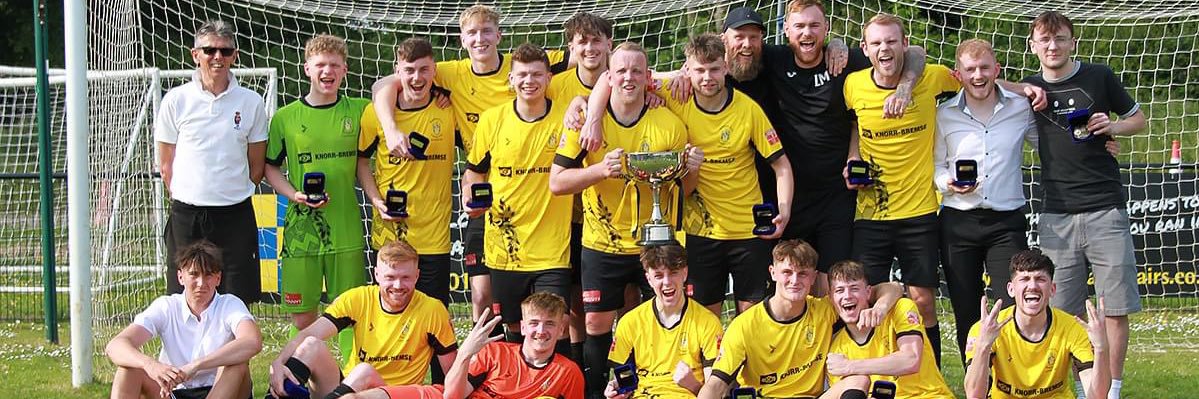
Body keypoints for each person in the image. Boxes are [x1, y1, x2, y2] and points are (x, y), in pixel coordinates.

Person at [370, 5, 568, 327]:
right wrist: (391, 129)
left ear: (499, 35)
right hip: (482, 187)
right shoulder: (449, 73)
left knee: (551, 301)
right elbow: (384, 85)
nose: (480, 39)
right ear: (462, 39)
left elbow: (592, 61)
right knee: (481, 293)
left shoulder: (523, 66)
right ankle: (481, 353)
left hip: (533, 191)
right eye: (472, 33)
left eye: (486, 31)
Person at [549, 42, 695, 397]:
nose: (629, 78)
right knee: (596, 320)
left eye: (636, 71)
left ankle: (647, 389)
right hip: (603, 242)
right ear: (609, 77)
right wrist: (600, 170)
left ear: (648, 77)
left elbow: (684, 189)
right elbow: (557, 183)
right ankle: (597, 391)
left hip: (655, 244)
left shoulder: (669, 122)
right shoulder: (586, 123)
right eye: (621, 71)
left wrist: (691, 169)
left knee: (651, 319)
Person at [1022, 12, 1147, 398]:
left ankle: (1113, 390)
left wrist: (1113, 127)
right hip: (1056, 213)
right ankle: (1084, 388)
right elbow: (988, 82)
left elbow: (1138, 119)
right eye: (1045, 40)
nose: (1053, 46)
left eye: (1060, 38)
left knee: (1114, 307)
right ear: (1033, 46)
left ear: (1073, 42)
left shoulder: (1099, 76)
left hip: (1105, 208)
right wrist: (1023, 87)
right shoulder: (1028, 89)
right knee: (1063, 310)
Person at [842, 13, 966, 366]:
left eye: (891, 41)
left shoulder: (931, 77)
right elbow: (854, 125)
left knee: (922, 300)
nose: (884, 49)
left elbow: (978, 80)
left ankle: (931, 377)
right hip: (870, 213)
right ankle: (871, 373)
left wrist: (1027, 90)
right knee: (867, 299)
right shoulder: (852, 85)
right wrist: (853, 159)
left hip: (919, 211)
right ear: (865, 49)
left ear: (904, 45)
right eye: (877, 43)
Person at [462, 43, 573, 348]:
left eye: (536, 74)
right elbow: (474, 172)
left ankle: (562, 379)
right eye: (522, 75)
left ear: (549, 78)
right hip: (505, 247)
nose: (529, 81)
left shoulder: (566, 118)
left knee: (555, 324)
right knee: (513, 326)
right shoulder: (492, 120)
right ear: (510, 79)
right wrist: (470, 197)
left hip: (552, 248)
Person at [264, 35, 369, 356]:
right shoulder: (285, 117)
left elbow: (392, 91)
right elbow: (270, 168)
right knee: (302, 316)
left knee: (350, 312)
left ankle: (349, 377)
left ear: (345, 70)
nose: (328, 71)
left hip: (346, 228)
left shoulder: (361, 110)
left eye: (335, 65)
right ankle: (303, 373)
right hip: (301, 232)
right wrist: (294, 194)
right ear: (307, 68)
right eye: (321, 65)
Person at [696, 240, 903, 399]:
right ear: (773, 273)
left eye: (802, 274)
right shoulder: (745, 325)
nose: (794, 280)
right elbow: (716, 384)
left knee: (858, 380)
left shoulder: (824, 309)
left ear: (813, 277)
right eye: (787, 272)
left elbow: (893, 288)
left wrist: (880, 308)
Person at [155, 20, 267, 304]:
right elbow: (166, 165)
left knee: (236, 298)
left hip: (235, 214)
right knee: (185, 298)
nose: (218, 57)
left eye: (225, 51)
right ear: (196, 55)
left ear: (234, 56)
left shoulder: (251, 102)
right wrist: (193, 193)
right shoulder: (176, 100)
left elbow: (256, 167)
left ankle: (232, 338)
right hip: (188, 215)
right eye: (210, 50)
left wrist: (226, 191)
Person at [266, 240, 458, 399]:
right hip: (348, 390)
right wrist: (279, 362)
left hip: (392, 395)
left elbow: (454, 373)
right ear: (377, 275)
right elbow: (309, 333)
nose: (398, 285)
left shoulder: (432, 310)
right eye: (390, 277)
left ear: (417, 276)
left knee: (364, 371)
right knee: (311, 345)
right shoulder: (358, 299)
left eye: (405, 277)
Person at [358, 37, 457, 308]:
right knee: (389, 313)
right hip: (389, 234)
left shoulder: (449, 110)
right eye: (409, 70)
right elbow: (361, 162)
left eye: (424, 70)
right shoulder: (375, 114)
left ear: (434, 70)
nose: (417, 77)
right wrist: (376, 200)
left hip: (434, 238)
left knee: (433, 316)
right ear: (397, 72)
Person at [343, 292, 584, 399]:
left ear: (561, 330)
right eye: (534, 323)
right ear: (522, 327)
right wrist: (465, 353)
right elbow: (453, 395)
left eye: (549, 324)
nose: (540, 331)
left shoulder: (568, 373)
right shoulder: (496, 352)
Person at [106, 240, 262, 399]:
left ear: (218, 278)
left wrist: (196, 366)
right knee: (128, 369)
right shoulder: (167, 306)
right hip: (173, 390)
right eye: (194, 274)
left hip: (221, 389)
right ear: (180, 277)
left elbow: (252, 341)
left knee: (237, 365)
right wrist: (150, 365)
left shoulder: (230, 304)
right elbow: (115, 346)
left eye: (208, 275)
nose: (201, 283)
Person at [550, 10, 615, 368]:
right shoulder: (555, 84)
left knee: (626, 294)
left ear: (609, 44)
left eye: (596, 41)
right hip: (563, 209)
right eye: (582, 42)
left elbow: (669, 77)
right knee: (577, 298)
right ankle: (581, 368)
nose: (590, 48)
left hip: (612, 210)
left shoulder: (626, 77)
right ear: (571, 47)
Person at [964, 249, 1111, 399]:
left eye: (1040, 279)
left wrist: (1101, 348)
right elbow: (974, 394)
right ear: (1011, 289)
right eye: (1024, 279)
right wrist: (983, 345)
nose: (1032, 286)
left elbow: (1098, 396)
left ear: (1052, 289)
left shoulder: (1072, 327)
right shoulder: (986, 329)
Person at [604, 244, 723, 398]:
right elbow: (625, 379)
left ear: (685, 273)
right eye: (658, 276)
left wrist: (691, 384)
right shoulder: (630, 322)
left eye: (673, 273)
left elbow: (715, 393)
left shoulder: (708, 322)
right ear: (649, 279)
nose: (667, 282)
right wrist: (619, 390)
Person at [826, 260, 954, 399]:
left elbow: (911, 360)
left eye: (854, 288)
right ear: (831, 298)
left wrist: (850, 366)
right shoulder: (837, 349)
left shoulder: (900, 308)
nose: (847, 296)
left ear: (868, 292)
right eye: (840, 290)